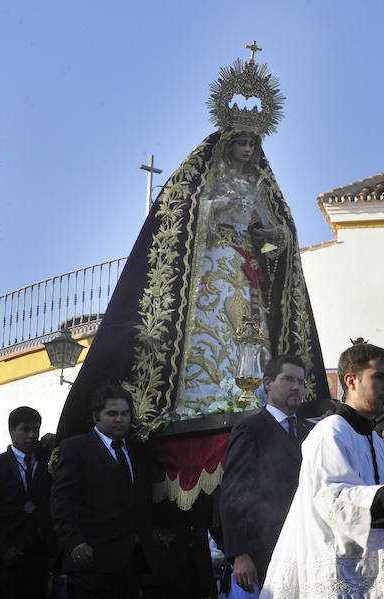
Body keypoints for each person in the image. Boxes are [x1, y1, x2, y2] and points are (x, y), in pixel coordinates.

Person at [56, 56, 331, 441]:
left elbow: (274, 230)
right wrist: (212, 208)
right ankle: (197, 399)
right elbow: (180, 214)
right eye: (242, 143)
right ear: (229, 142)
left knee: (248, 333)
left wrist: (277, 236)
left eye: (254, 143)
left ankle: (251, 396)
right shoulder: (205, 176)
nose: (249, 150)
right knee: (208, 330)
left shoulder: (259, 186)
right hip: (208, 266)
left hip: (244, 270)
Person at [260, 343, 384, 598]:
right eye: (379, 377)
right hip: (339, 569)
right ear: (351, 380)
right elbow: (331, 497)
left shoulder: (373, 439)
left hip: (376, 569)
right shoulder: (330, 433)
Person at [219, 355, 313, 593]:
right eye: (288, 379)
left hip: (308, 543)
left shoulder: (312, 431)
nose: (296, 387)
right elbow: (234, 492)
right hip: (266, 546)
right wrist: (239, 553)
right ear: (267, 384)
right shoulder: (250, 428)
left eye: (301, 382)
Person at [50, 383, 153, 599]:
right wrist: (75, 542)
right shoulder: (76, 448)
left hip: (131, 564)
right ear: (96, 416)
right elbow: (62, 500)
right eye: (112, 414)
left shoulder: (138, 453)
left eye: (125, 414)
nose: (119, 419)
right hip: (91, 561)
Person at [0, 407, 56, 599]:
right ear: (12, 432)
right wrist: (2, 548)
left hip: (39, 554)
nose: (31, 435)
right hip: (5, 556)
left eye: (35, 430)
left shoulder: (47, 462)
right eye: (25, 429)